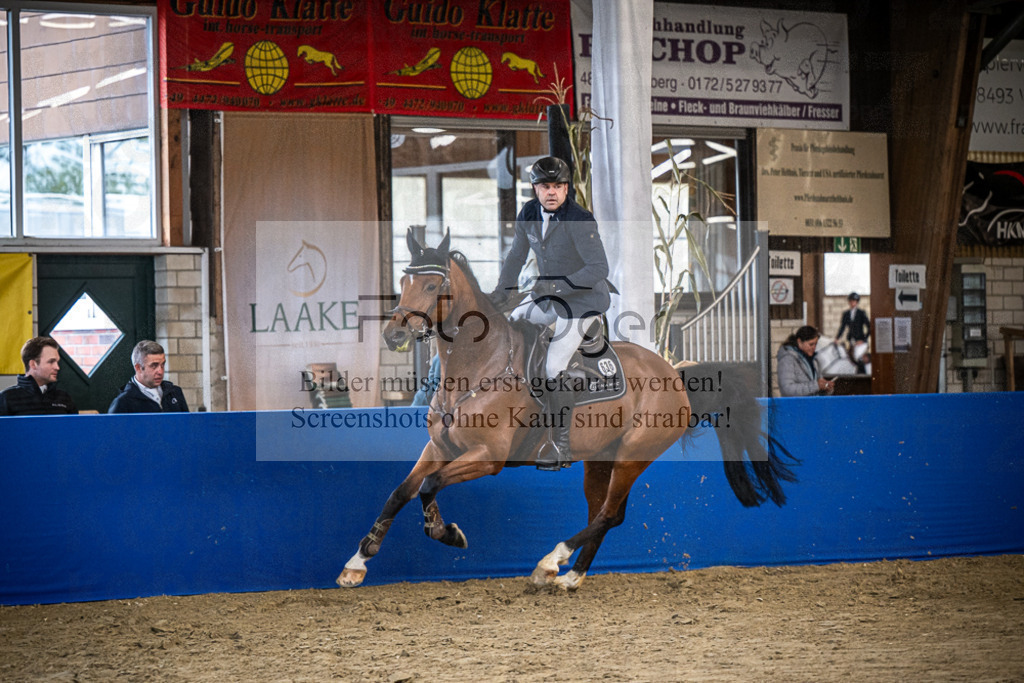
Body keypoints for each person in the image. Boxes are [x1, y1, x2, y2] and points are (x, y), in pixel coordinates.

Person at [488, 156, 612, 470]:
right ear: (535, 189)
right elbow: (516, 256)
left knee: (555, 365)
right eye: (546, 186)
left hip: (583, 302)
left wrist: (558, 286)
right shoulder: (528, 213)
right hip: (547, 297)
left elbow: (599, 268)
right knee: (511, 328)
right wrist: (501, 294)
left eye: (558, 186)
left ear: (567, 188)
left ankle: (560, 445)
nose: (552, 192)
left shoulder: (580, 219)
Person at [0, 337, 78, 415]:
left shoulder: (64, 398)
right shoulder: (5, 399)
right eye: (51, 362)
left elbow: (76, 426)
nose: (57, 367)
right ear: (33, 364)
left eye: (57, 362)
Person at [108, 340, 190, 413]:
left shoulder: (175, 392)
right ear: (138, 368)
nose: (160, 371)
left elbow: (187, 426)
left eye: (162, 365)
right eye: (154, 366)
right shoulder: (123, 402)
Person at [777, 325, 835, 397]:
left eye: (815, 344)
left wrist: (826, 388)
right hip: (797, 407)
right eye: (811, 344)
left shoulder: (813, 360)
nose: (814, 347)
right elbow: (787, 390)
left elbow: (817, 388)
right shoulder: (787, 360)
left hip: (811, 406)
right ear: (799, 342)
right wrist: (816, 386)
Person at [835, 292, 871, 372]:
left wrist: (863, 340)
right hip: (850, 340)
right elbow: (842, 327)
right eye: (851, 301)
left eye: (854, 301)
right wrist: (837, 338)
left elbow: (869, 327)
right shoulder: (846, 314)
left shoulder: (861, 313)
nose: (852, 303)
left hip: (860, 341)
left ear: (857, 302)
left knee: (858, 357)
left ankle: (862, 374)